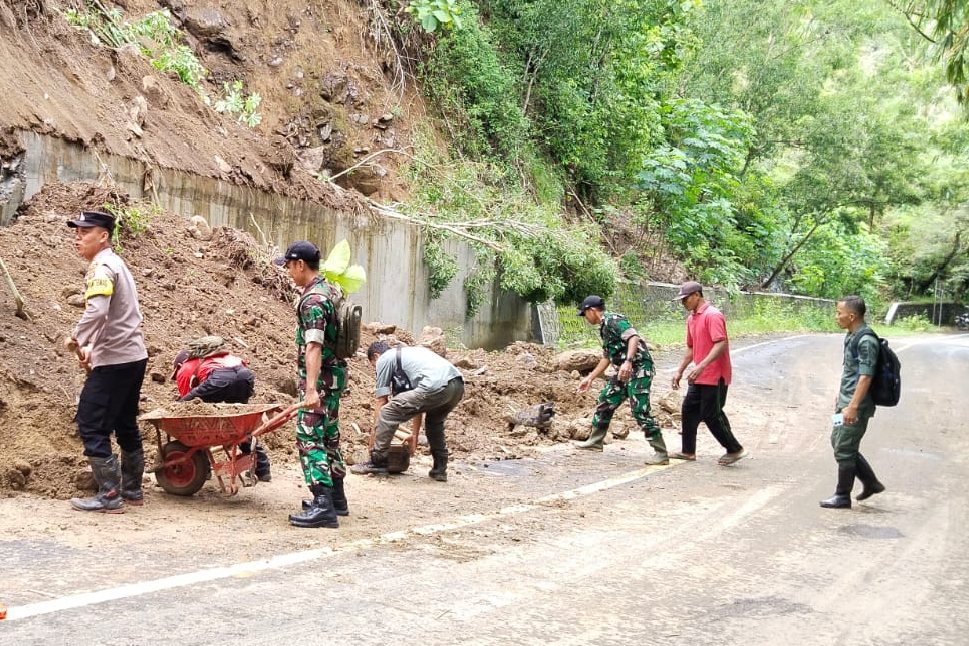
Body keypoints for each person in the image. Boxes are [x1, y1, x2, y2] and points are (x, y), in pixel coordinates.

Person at [63, 210, 148, 513]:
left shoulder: (101, 267)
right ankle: (133, 489)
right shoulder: (117, 263)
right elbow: (116, 315)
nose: (78, 238)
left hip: (116, 360)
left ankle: (110, 494)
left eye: (85, 232)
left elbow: (98, 312)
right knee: (125, 422)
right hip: (132, 355)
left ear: (103, 236)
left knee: (90, 422)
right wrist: (92, 349)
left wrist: (78, 339)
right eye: (76, 232)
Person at [276, 241, 349, 529]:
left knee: (309, 437)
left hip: (321, 382)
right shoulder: (330, 289)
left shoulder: (313, 301)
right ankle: (337, 499)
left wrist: (310, 389)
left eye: (289, 266)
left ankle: (322, 505)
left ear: (300, 265)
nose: (288, 272)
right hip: (334, 379)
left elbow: (314, 346)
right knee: (329, 435)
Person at [574, 295, 669, 465]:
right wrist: (590, 377)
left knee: (640, 409)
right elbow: (607, 357)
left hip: (639, 368)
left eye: (585, 314)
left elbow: (633, 337)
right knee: (606, 399)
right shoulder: (604, 327)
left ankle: (661, 453)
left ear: (592, 310)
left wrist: (628, 361)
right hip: (623, 372)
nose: (585, 318)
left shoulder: (613, 320)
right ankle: (596, 441)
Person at [351, 341, 464, 481]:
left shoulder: (385, 359)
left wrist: (373, 441)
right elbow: (418, 404)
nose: (377, 370)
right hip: (457, 385)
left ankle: (377, 463)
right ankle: (440, 469)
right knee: (434, 423)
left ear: (376, 356)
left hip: (436, 385)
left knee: (387, 412)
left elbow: (381, 401)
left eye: (374, 366)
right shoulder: (408, 358)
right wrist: (414, 435)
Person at [171, 338, 272, 481]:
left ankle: (203, 469)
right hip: (245, 377)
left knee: (193, 420)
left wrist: (178, 406)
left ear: (180, 364)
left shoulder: (185, 368)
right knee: (240, 426)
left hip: (220, 378)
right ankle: (263, 470)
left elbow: (188, 407)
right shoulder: (222, 357)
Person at [819, 296, 885, 509]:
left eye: (839, 313)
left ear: (852, 315)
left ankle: (842, 496)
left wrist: (853, 406)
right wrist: (842, 398)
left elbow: (866, 376)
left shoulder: (866, 340)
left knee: (845, 447)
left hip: (856, 406)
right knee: (837, 441)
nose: (836, 317)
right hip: (845, 402)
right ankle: (871, 482)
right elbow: (851, 372)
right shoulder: (851, 335)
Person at [670, 281, 746, 465]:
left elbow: (721, 343)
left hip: (715, 374)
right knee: (689, 409)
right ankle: (688, 451)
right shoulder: (692, 318)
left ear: (697, 295)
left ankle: (734, 449)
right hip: (699, 374)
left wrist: (702, 365)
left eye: (685, 299)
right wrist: (680, 370)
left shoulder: (713, 316)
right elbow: (691, 348)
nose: (684, 303)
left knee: (711, 414)